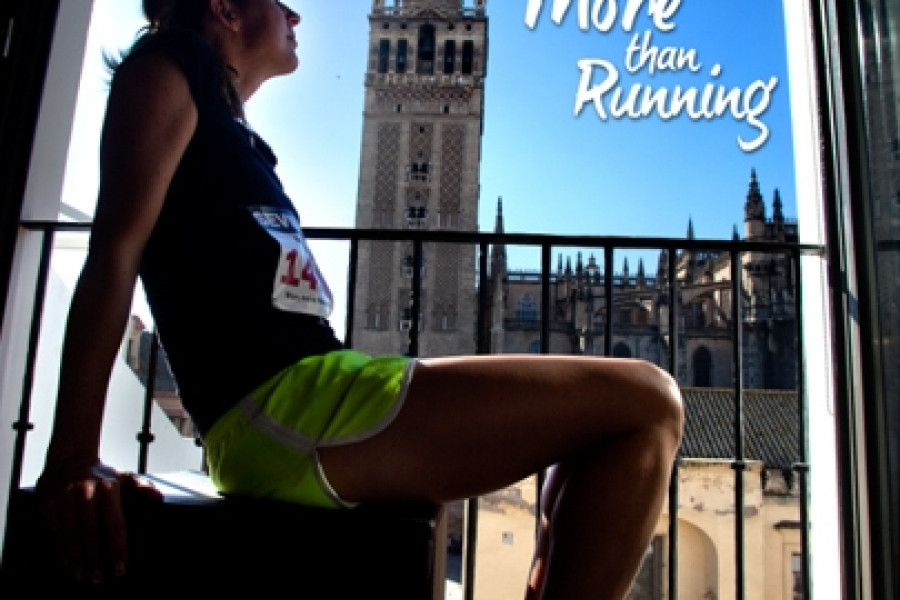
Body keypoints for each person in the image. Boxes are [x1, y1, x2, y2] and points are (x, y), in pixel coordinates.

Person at [34, 1, 684, 598]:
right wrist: (71, 455)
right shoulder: (165, 67)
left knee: (614, 416)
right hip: (288, 407)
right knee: (647, 400)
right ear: (224, 7)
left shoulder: (233, 127)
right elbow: (114, 251)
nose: (295, 13)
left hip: (322, 391)